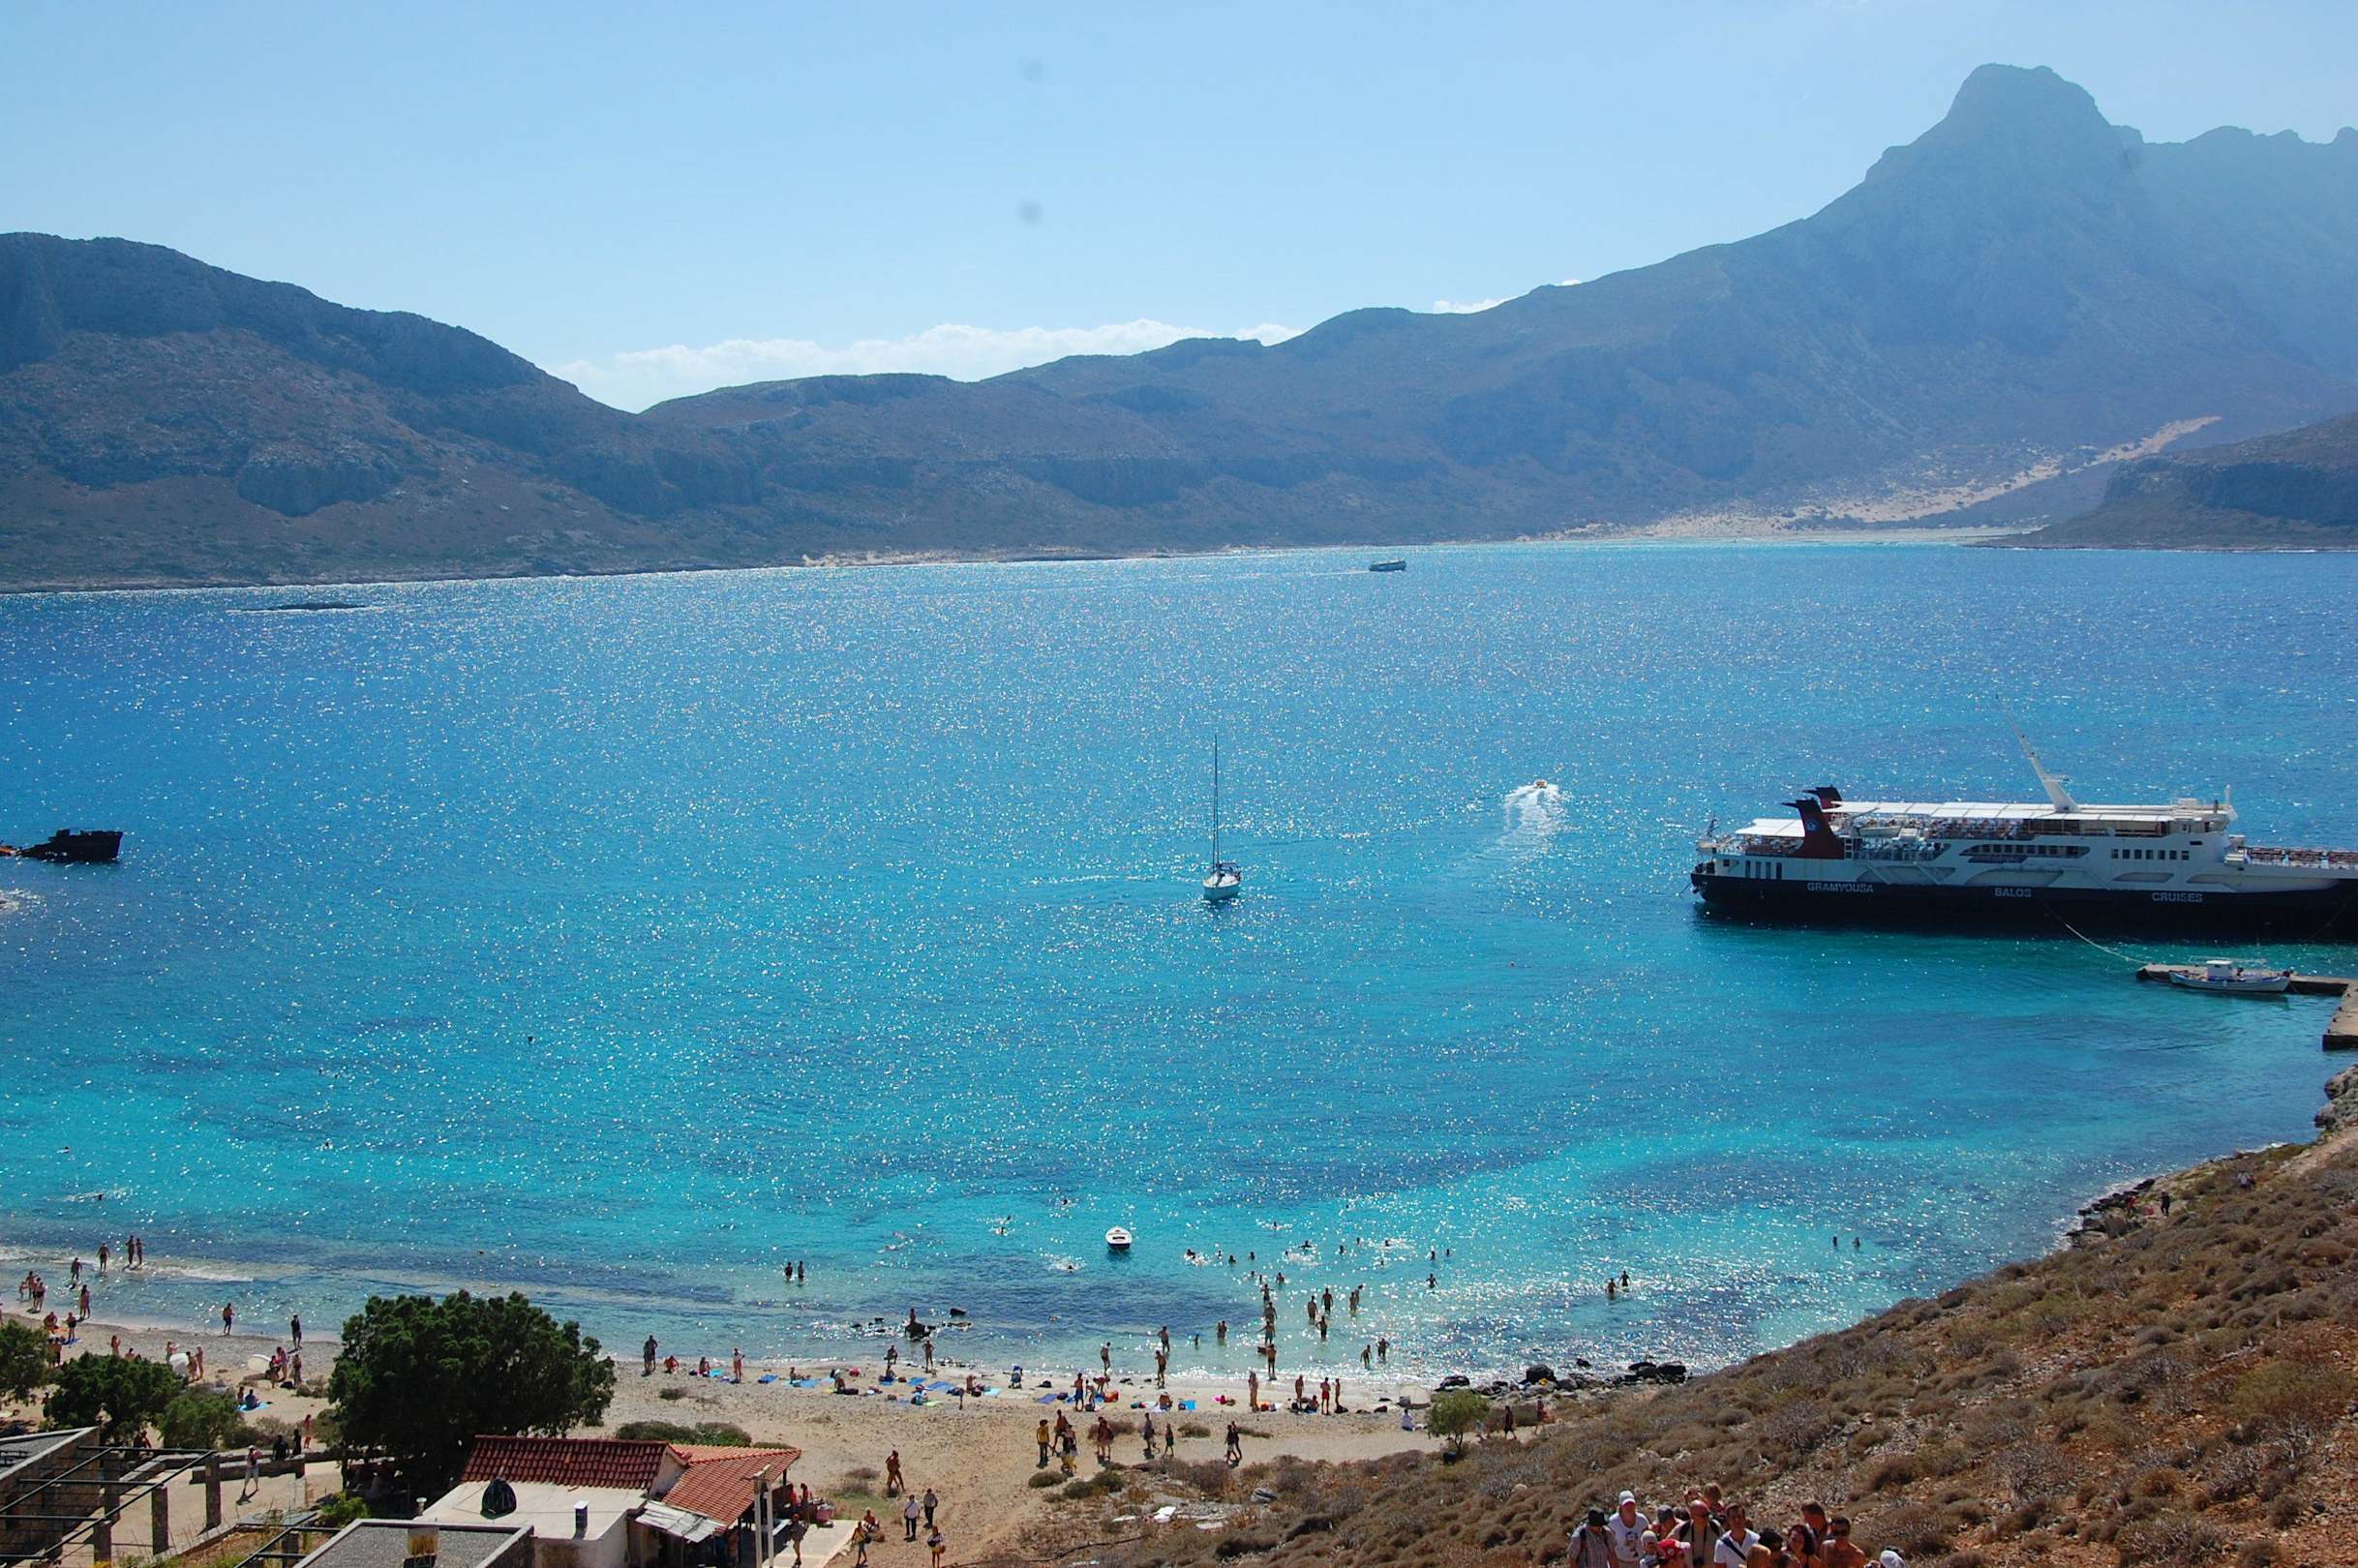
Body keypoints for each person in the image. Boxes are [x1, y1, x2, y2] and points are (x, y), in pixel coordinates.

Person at [1607, 1492, 1648, 1568]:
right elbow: (1609, 1546)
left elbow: (1647, 1540)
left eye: (1632, 1504)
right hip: (1620, 1563)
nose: (1629, 1507)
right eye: (1626, 1504)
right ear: (1620, 1506)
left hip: (1639, 1562)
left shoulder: (1642, 1520)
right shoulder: (1613, 1523)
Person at [1714, 1504, 1759, 1568]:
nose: (1737, 1520)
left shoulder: (1756, 1540)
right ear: (1728, 1520)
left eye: (1739, 1517)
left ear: (1744, 1519)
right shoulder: (1721, 1544)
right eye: (1733, 1517)